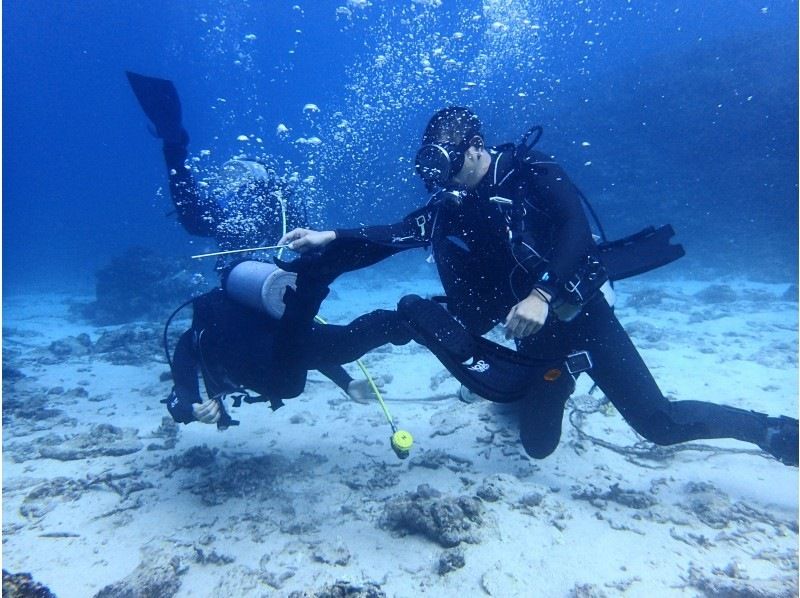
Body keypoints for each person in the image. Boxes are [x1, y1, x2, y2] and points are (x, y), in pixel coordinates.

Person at [279, 106, 799, 467]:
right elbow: (401, 230)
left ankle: (772, 430)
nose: (448, 184)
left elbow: (575, 231)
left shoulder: (532, 172)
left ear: (477, 148)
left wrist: (543, 294)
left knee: (659, 425)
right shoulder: (452, 201)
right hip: (532, 335)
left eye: (454, 167)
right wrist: (333, 233)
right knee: (537, 447)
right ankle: (554, 380)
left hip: (582, 317)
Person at [126, 71, 306, 258]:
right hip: (246, 222)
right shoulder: (255, 205)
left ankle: (174, 145)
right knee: (196, 220)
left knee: (195, 220)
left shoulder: (274, 206)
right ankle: (174, 145)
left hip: (250, 221)